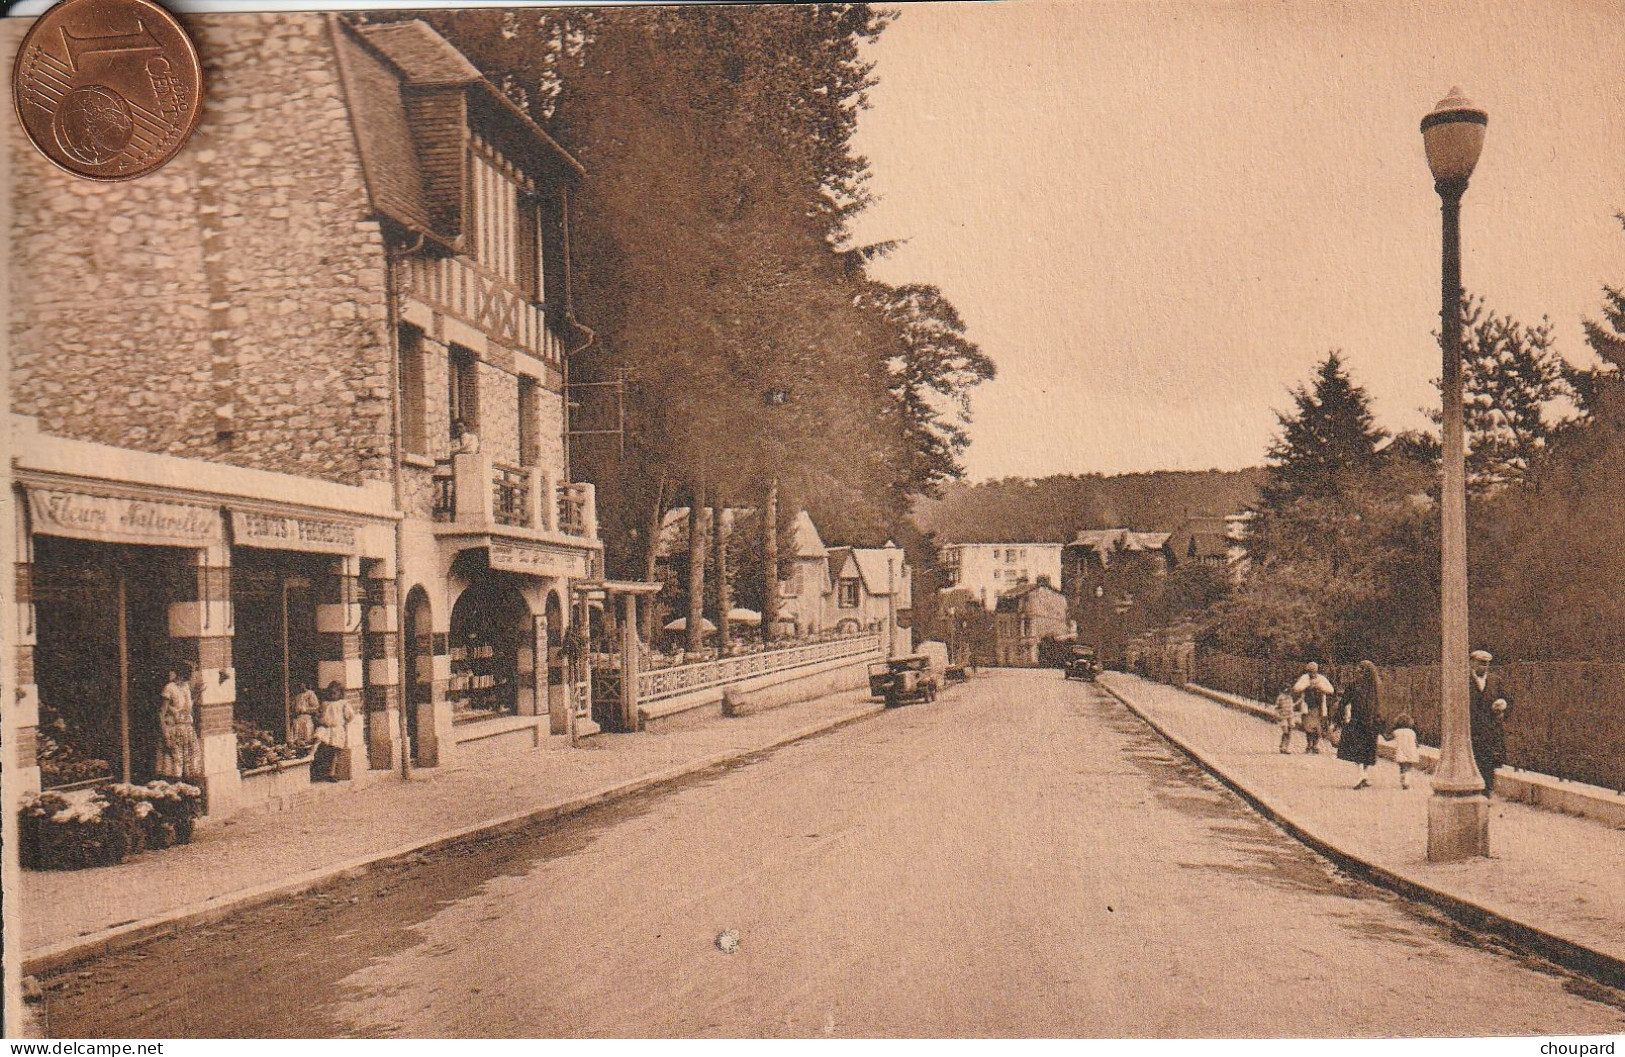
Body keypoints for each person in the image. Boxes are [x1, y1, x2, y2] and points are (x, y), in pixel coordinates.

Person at [1469, 649, 1512, 797]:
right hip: (1471, 731)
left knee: (1488, 762)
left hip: (1490, 730)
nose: (1484, 667)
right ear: (1472, 663)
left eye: (1487, 664)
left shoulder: (1495, 681)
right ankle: (1473, 790)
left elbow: (1507, 700)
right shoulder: (1464, 681)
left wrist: (1502, 707)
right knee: (1472, 761)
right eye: (1481, 663)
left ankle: (1487, 792)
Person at [1337, 660, 1382, 788]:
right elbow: (1380, 706)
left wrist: (1339, 718)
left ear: (1361, 671)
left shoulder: (1354, 685)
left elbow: (1343, 702)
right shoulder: (1377, 686)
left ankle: (1361, 774)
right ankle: (1364, 775)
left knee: (1356, 749)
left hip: (1357, 721)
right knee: (1368, 750)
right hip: (1372, 722)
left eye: (1359, 668)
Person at [156, 665, 204, 780]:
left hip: (187, 731)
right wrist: (166, 735)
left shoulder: (186, 687)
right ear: (185, 674)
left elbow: (187, 708)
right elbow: (161, 713)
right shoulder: (169, 688)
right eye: (192, 673)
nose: (193, 676)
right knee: (175, 767)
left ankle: (188, 793)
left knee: (191, 768)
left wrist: (197, 695)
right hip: (174, 731)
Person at [311, 681, 354, 782]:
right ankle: (320, 772)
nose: (332, 695)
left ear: (340, 693)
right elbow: (318, 715)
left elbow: (350, 715)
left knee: (335, 751)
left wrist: (343, 723)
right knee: (322, 749)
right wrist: (320, 721)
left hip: (336, 729)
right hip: (325, 729)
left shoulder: (343, 704)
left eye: (335, 693)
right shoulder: (325, 704)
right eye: (330, 693)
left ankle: (332, 773)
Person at [1292, 662, 1335, 754]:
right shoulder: (1304, 678)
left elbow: (1331, 690)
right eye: (1310, 672)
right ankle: (1309, 745)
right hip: (1308, 706)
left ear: (1317, 671)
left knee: (1317, 727)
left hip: (1318, 706)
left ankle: (1315, 745)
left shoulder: (1322, 679)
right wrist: (1307, 686)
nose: (1312, 674)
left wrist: (1320, 687)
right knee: (1308, 727)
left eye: (1314, 671)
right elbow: (1296, 688)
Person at [1385, 712, 1420, 790]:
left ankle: (1403, 779)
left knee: (1402, 766)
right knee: (1409, 766)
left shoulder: (1396, 732)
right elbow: (1416, 743)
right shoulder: (1412, 732)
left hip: (1401, 751)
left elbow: (1387, 738)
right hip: (1411, 751)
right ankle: (1407, 780)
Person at [290, 681, 320, 749]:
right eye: (300, 684)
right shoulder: (298, 695)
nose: (301, 685)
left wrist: (305, 709)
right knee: (297, 738)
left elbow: (316, 707)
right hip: (298, 718)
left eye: (302, 683)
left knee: (307, 736)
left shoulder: (310, 694)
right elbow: (293, 707)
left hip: (306, 718)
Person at [1274, 688, 1297, 754]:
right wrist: (1277, 715)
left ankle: (1285, 747)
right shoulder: (1280, 698)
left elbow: (1291, 707)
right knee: (1286, 731)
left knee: (1289, 732)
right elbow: (1276, 707)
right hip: (1282, 717)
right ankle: (1282, 746)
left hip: (1289, 717)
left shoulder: (1290, 698)